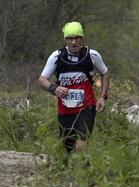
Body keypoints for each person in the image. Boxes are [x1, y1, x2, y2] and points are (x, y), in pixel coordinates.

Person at [38, 22, 110, 152]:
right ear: (65, 39)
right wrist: (54, 89)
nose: (73, 42)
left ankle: (83, 170)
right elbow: (42, 79)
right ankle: (74, 170)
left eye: (77, 38)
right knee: (68, 149)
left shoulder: (92, 55)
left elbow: (105, 73)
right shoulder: (57, 56)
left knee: (81, 144)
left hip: (87, 107)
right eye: (70, 38)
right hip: (65, 109)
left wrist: (102, 97)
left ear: (82, 39)